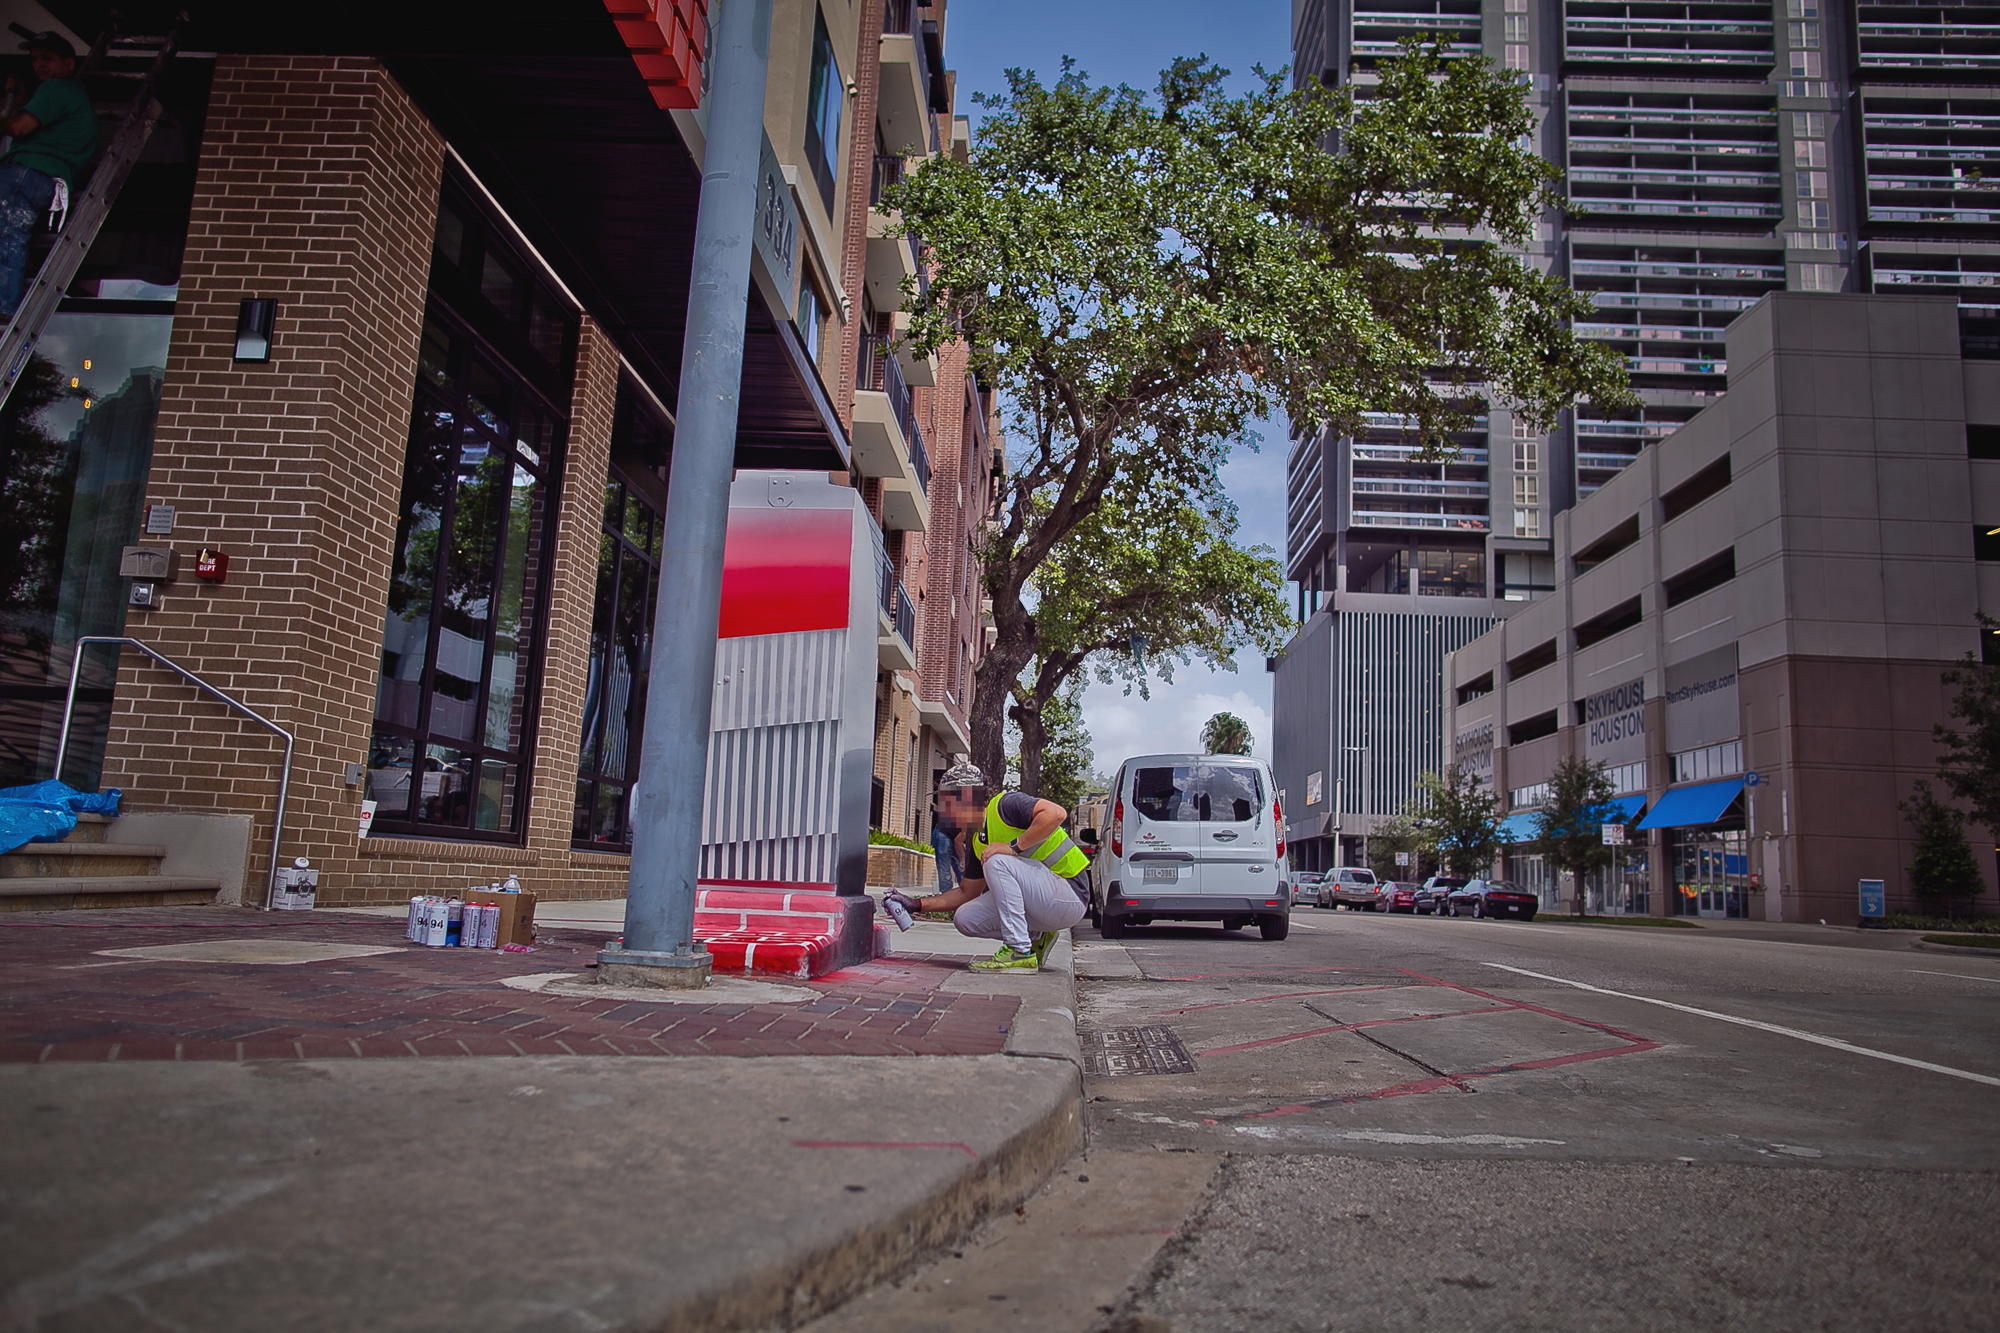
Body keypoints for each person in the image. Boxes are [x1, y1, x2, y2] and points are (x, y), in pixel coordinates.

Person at [881, 762, 1088, 972]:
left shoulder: (1005, 805)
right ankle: (1036, 935)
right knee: (965, 918)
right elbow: (966, 893)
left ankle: (1019, 952)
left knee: (996, 859)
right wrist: (917, 904)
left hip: (1071, 894)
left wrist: (1013, 847)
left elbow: (1056, 813)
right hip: (1044, 905)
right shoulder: (978, 841)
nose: (945, 811)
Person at [0, 33, 97, 317]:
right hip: (46, 180)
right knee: (12, 235)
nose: (39, 64)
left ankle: (4, 306)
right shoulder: (71, 95)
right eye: (34, 59)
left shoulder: (56, 88)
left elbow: (19, 128)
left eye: (47, 58)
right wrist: (22, 100)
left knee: (7, 236)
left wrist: (5, 119)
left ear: (69, 63)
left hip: (26, 172)